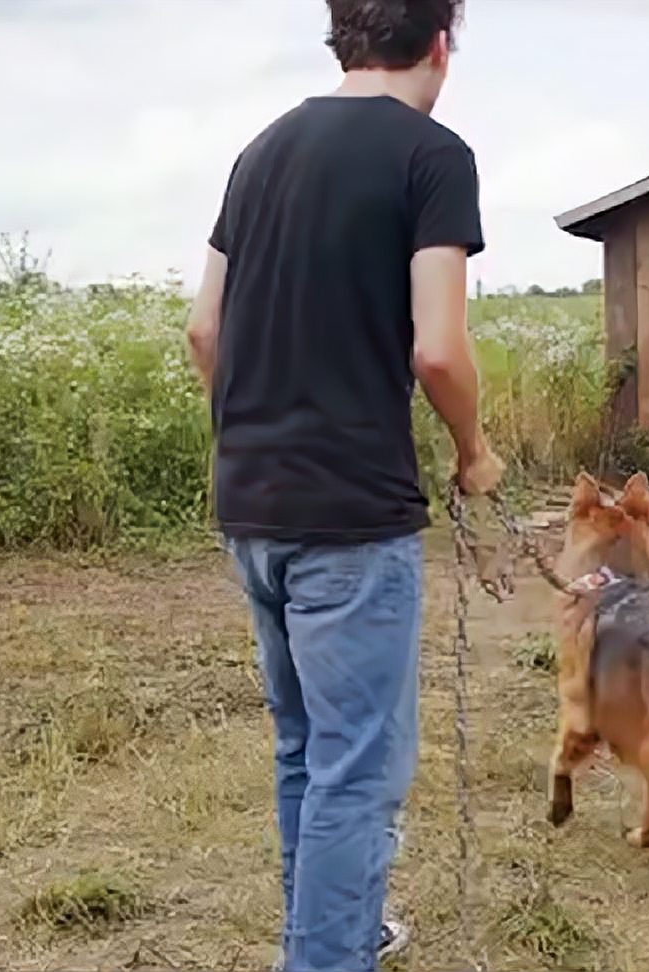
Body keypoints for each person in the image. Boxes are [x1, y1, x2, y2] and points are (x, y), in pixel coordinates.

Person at [183, 1, 500, 969]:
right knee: (358, 771)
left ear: (342, 35)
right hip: (354, 520)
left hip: (253, 503)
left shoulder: (261, 150)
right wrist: (474, 450)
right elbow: (439, 349)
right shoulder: (432, 154)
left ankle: (335, 932)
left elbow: (205, 330)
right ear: (441, 43)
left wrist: (257, 428)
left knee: (305, 750)